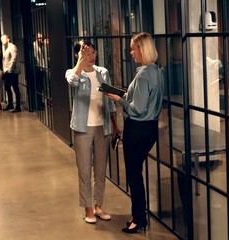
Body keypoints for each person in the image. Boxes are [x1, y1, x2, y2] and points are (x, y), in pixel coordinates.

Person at [106, 32, 164, 234]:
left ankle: (138, 219)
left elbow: (136, 109)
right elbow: (145, 101)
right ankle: (138, 215)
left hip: (137, 130)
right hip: (150, 129)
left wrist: (119, 100)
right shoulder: (156, 71)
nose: (131, 53)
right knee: (136, 174)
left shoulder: (143, 74)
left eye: (133, 48)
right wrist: (125, 94)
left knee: (134, 176)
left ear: (142, 49)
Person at [65, 40, 120, 224]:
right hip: (82, 128)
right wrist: (80, 62)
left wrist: (115, 124)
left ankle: (98, 205)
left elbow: (111, 100)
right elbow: (72, 81)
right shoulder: (74, 73)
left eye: (93, 52)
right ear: (78, 55)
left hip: (102, 127)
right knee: (84, 170)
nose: (92, 56)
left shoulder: (102, 72)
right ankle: (88, 208)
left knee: (100, 170)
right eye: (87, 53)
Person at [1, 34, 21, 113]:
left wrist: (10, 69)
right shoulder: (6, 48)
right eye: (1, 39)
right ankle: (10, 104)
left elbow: (14, 58)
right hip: (7, 71)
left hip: (11, 72)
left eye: (3, 39)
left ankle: (18, 106)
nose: (2, 40)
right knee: (7, 87)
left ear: (8, 39)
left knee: (15, 88)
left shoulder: (12, 47)